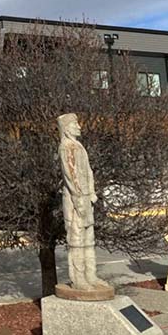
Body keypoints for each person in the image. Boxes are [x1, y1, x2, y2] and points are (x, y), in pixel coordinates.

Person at [57, 113, 109, 291]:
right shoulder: (66, 147)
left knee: (89, 238)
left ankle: (91, 275)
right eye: (74, 124)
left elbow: (88, 172)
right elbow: (71, 176)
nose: (79, 126)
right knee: (76, 240)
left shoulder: (78, 146)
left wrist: (92, 192)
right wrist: (79, 198)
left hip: (86, 197)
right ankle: (78, 279)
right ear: (66, 128)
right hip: (75, 200)